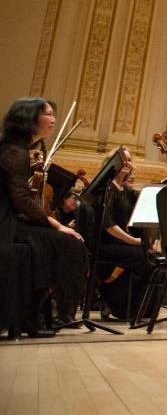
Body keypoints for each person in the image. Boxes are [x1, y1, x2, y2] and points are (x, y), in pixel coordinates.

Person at [0, 98, 86, 337]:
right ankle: (47, 313)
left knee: (56, 244)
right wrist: (57, 225)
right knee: (68, 244)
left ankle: (32, 315)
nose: (53, 119)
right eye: (48, 114)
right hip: (5, 224)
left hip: (13, 221)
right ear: (30, 119)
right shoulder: (15, 153)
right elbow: (21, 200)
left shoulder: (19, 151)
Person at [96, 147, 149, 320]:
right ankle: (116, 303)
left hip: (120, 244)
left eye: (129, 160)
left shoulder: (126, 190)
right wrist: (133, 241)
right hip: (105, 244)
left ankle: (140, 307)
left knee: (150, 256)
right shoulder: (107, 188)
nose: (127, 163)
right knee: (140, 256)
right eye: (122, 160)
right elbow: (108, 224)